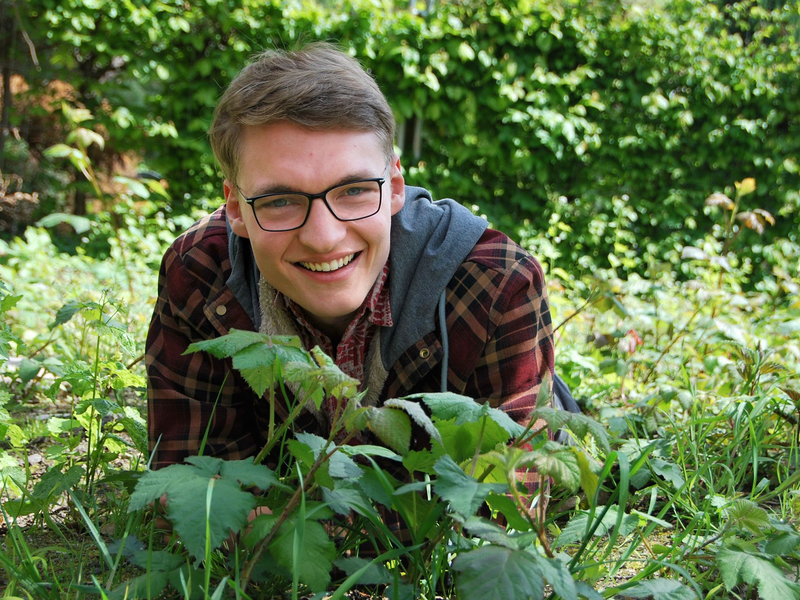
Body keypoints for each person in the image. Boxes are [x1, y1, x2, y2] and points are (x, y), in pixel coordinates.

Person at [145, 43, 555, 499]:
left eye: (354, 191)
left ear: (395, 187)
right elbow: (186, 487)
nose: (323, 237)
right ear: (237, 209)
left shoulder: (495, 284)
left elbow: (514, 503)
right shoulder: (199, 274)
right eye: (280, 200)